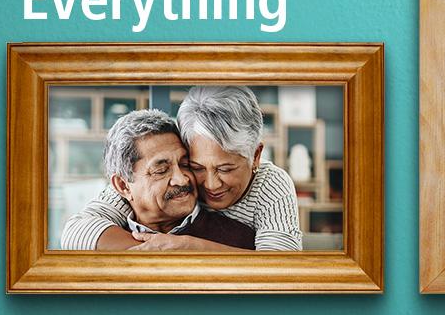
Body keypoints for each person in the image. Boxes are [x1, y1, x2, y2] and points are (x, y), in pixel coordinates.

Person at [61, 86, 302, 251]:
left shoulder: (270, 185)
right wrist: (155, 254)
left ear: (256, 156)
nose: (210, 184)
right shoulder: (130, 191)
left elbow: (280, 268)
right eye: (195, 166)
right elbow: (77, 230)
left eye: (226, 168)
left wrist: (187, 248)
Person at [76, 109, 255, 250]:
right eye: (161, 170)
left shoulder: (240, 240)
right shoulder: (98, 242)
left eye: (186, 164)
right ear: (123, 186)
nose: (182, 180)